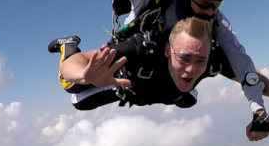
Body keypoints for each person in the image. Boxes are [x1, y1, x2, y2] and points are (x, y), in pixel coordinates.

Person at [95, 0, 269, 140]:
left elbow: (241, 62)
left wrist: (259, 111)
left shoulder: (217, 21)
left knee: (192, 89)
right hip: (141, 62)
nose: (210, 12)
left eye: (217, 5)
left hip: (177, 71)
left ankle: (180, 87)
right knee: (80, 99)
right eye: (204, 3)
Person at [58, 17, 215, 111]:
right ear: (168, 50)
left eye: (200, 60)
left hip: (143, 90)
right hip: (126, 79)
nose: (191, 69)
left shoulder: (212, 61)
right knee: (70, 85)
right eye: (184, 58)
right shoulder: (140, 50)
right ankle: (69, 44)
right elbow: (70, 65)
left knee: (188, 100)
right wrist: (85, 76)